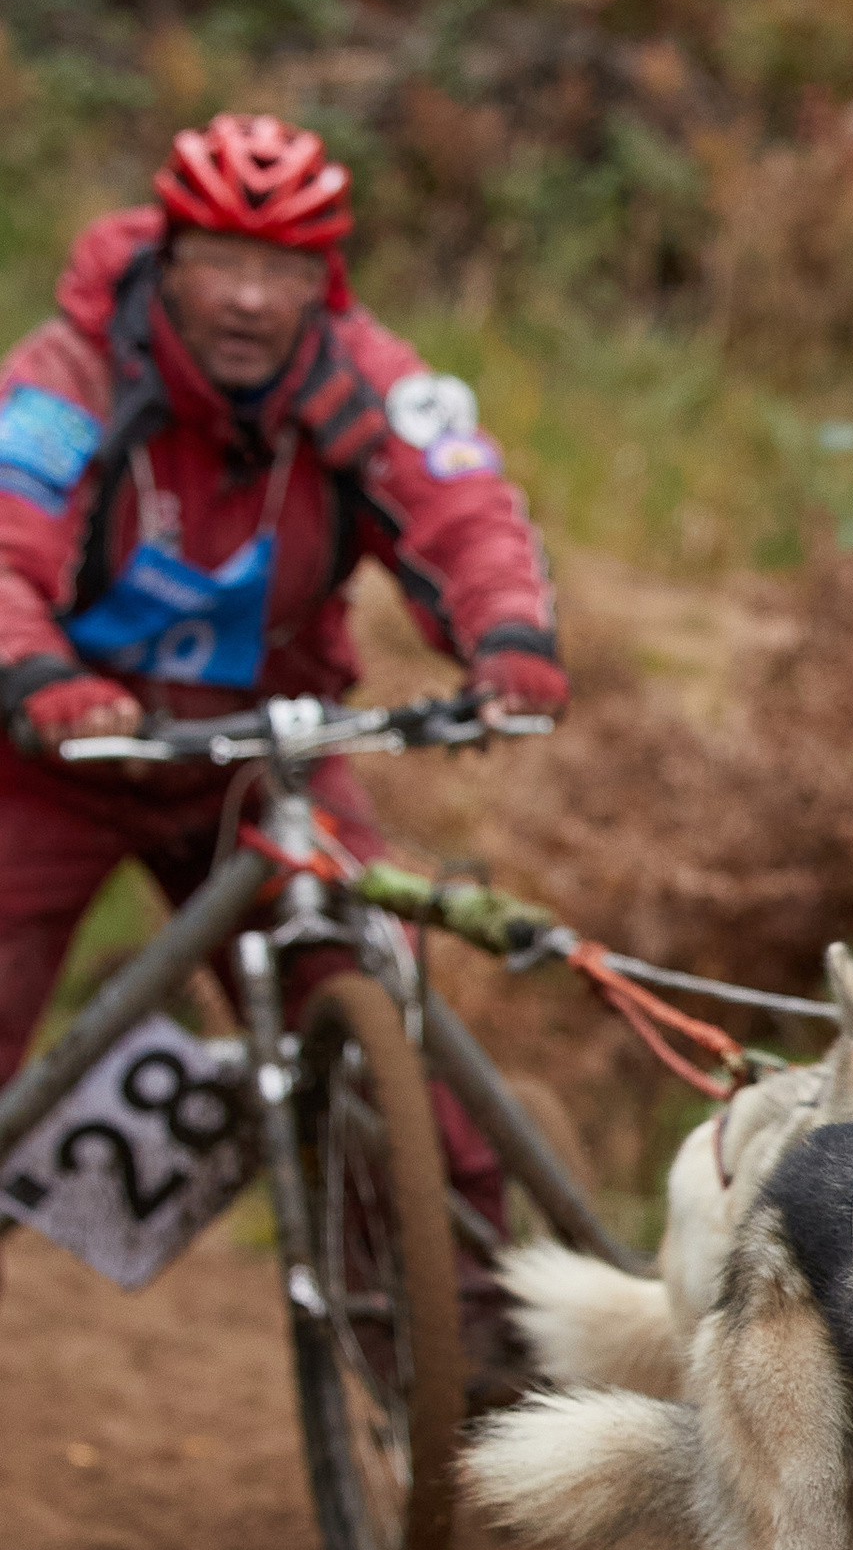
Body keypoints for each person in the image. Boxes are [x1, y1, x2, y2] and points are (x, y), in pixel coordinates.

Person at [0, 113, 567, 1365]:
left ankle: (463, 1359)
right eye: (222, 261)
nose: (252, 299)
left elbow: (463, 507)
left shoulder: (366, 377)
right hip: (56, 760)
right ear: (169, 252)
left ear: (329, 280)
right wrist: (37, 674)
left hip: (267, 762)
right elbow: (5, 543)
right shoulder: (69, 374)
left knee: (392, 1028)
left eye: (287, 269)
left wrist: (511, 637)